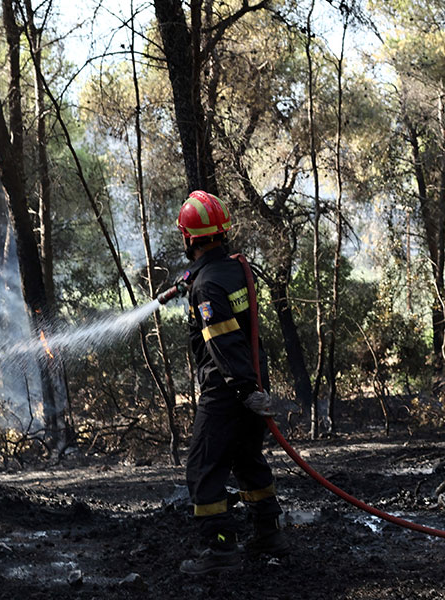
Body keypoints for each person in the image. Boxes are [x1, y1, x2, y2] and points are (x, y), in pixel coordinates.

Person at [176, 190, 286, 575]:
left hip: (228, 389)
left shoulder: (206, 286)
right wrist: (253, 388)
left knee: (203, 468)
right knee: (246, 458)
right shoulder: (235, 268)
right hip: (251, 379)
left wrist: (243, 391)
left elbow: (222, 340)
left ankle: (220, 548)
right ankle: (269, 533)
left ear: (189, 237)